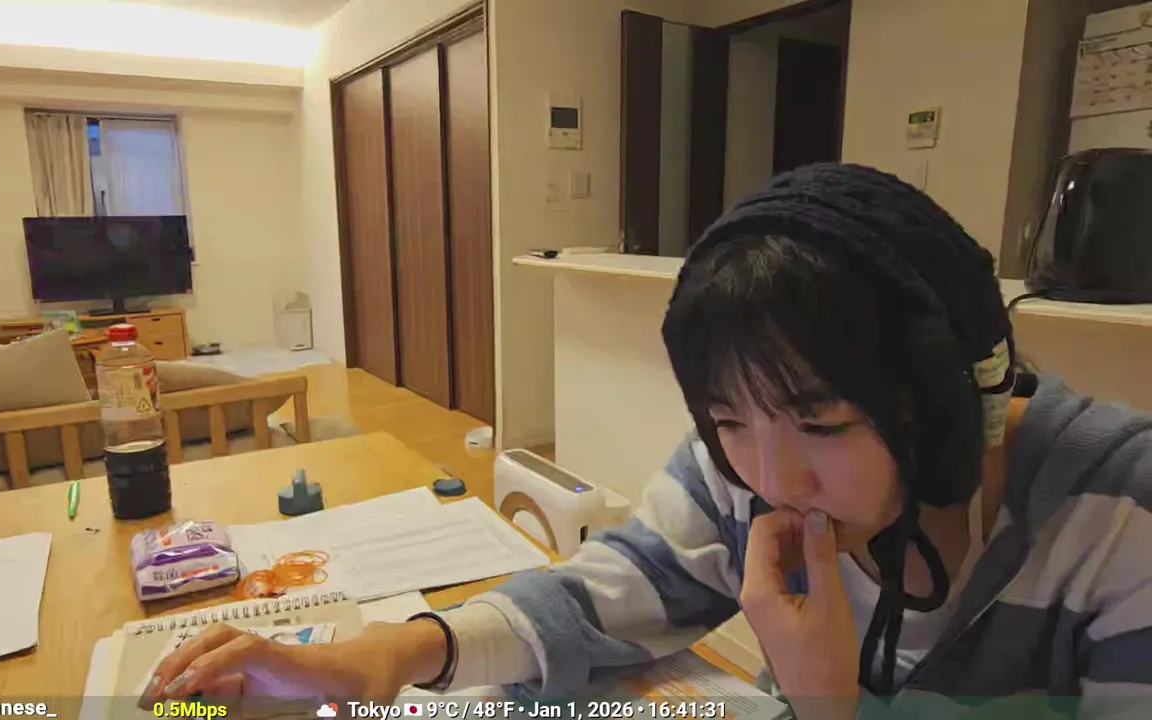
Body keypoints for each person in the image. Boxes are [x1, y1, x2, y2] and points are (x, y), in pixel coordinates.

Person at [140, 164, 1152, 717]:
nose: (771, 477)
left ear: (951, 399)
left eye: (822, 423)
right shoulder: (742, 471)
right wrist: (391, 654)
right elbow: (602, 596)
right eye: (728, 420)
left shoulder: (1122, 516)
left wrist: (825, 707)